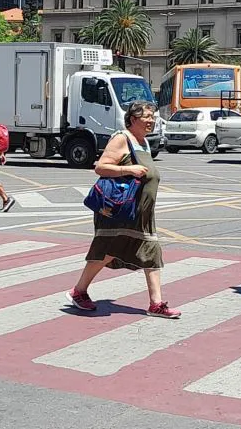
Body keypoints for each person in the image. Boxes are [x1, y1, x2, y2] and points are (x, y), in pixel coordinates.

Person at [68, 100, 181, 318]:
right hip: (120, 211)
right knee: (107, 252)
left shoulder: (144, 142)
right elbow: (101, 167)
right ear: (133, 119)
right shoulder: (122, 138)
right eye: (147, 117)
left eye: (153, 116)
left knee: (150, 252)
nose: (151, 120)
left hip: (141, 213)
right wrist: (128, 169)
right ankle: (78, 291)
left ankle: (156, 304)